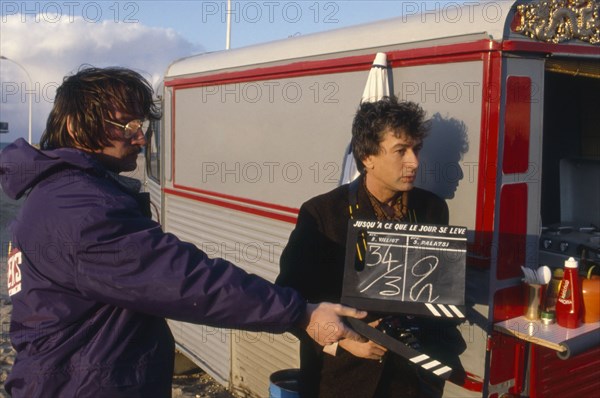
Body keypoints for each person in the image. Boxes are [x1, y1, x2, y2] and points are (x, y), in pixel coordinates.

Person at [0, 66, 367, 398]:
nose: (141, 139)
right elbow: (187, 280)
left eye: (141, 127)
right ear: (77, 128)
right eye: (128, 126)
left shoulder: (56, 194)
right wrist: (299, 313)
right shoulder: (81, 208)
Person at [277, 96, 465, 397]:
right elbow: (289, 300)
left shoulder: (433, 209)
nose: (414, 162)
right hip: (342, 381)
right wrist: (344, 340)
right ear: (367, 158)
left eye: (416, 149)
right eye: (401, 151)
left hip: (413, 382)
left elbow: (436, 290)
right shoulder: (322, 214)